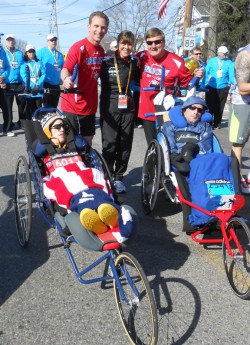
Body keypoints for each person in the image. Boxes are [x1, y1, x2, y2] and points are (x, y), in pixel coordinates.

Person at [31, 112, 135, 241]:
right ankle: (90, 214)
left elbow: (92, 170)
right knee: (71, 191)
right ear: (47, 130)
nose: (62, 129)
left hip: (85, 177)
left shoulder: (75, 147)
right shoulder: (45, 155)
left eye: (64, 126)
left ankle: (104, 212)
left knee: (95, 185)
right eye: (57, 127)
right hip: (63, 179)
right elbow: (47, 181)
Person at [136, 28, 204, 144]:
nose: (153, 46)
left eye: (157, 42)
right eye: (149, 43)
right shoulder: (142, 56)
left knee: (167, 147)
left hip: (167, 112)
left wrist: (197, 76)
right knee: (152, 147)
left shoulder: (176, 61)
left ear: (163, 42)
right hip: (147, 111)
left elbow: (187, 84)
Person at [99, 30, 140, 194]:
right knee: (109, 143)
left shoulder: (135, 62)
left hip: (127, 107)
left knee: (125, 144)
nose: (126, 47)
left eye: (129, 44)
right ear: (118, 44)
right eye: (124, 43)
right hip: (109, 107)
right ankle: (107, 176)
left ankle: (119, 177)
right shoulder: (107, 61)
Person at [61, 11, 109, 145]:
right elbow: (66, 69)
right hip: (73, 106)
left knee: (87, 143)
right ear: (89, 27)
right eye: (96, 26)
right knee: (71, 145)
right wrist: (66, 79)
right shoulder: (78, 48)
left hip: (91, 106)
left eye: (103, 27)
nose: (99, 30)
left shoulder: (101, 51)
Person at [162, 96, 213, 173]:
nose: (196, 112)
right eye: (192, 108)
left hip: (198, 159)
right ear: (184, 110)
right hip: (177, 159)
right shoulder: (169, 126)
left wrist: (192, 148)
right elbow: (170, 147)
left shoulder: (205, 127)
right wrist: (176, 157)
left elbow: (206, 148)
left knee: (228, 161)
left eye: (200, 110)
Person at [229, 43, 250, 194]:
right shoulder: (245, 56)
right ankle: (237, 181)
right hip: (243, 103)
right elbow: (243, 88)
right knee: (238, 143)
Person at [204, 45, 234, 129]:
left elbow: (231, 75)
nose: (225, 55)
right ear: (219, 53)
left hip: (223, 87)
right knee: (210, 105)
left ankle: (217, 123)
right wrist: (205, 83)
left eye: (226, 53)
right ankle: (208, 122)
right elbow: (206, 72)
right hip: (211, 86)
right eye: (223, 53)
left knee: (220, 106)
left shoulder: (229, 62)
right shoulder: (212, 61)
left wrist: (232, 85)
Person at [36, 33, 64, 108]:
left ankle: (53, 119)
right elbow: (34, 65)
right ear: (47, 41)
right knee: (46, 107)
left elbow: (62, 68)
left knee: (54, 106)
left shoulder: (60, 55)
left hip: (56, 84)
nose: (53, 42)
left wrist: (62, 78)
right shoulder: (41, 52)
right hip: (46, 83)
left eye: (55, 40)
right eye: (51, 40)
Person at [4, 33, 24, 134]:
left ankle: (22, 123)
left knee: (21, 104)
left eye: (12, 40)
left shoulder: (20, 53)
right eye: (8, 40)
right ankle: (9, 126)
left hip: (19, 83)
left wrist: (24, 81)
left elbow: (24, 68)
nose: (11, 42)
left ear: (14, 41)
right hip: (7, 83)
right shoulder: (2, 53)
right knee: (8, 106)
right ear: (6, 42)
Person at [20, 44, 46, 120]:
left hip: (38, 91)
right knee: (30, 111)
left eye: (33, 52)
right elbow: (24, 77)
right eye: (29, 52)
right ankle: (30, 127)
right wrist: (32, 85)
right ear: (26, 53)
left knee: (39, 110)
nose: (31, 54)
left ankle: (39, 125)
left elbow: (44, 74)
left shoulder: (39, 62)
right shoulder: (24, 64)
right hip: (30, 91)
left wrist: (37, 84)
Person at [0, 33, 11, 136]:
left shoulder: (2, 51)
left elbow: (7, 67)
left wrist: (3, 76)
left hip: (3, 83)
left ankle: (7, 129)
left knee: (6, 107)